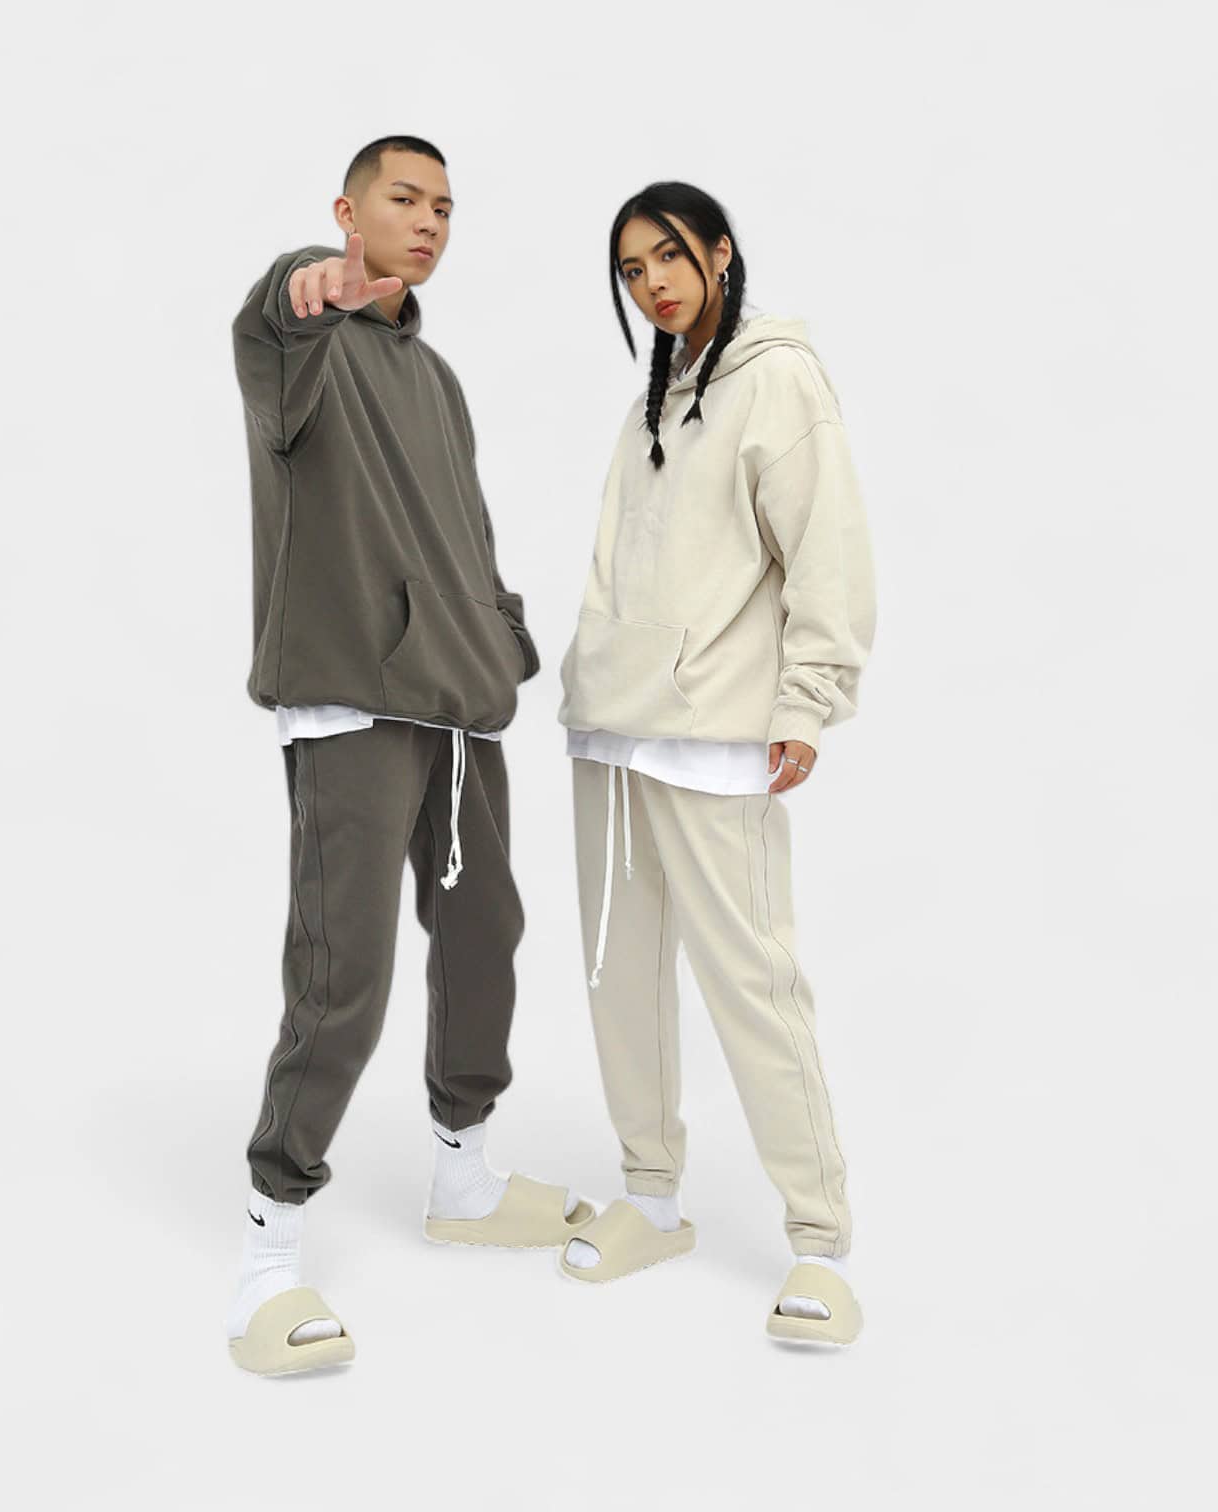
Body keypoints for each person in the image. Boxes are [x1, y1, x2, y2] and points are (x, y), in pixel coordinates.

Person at [225, 135, 591, 1377]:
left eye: (444, 205)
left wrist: (503, 640)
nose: (428, 220)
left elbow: (467, 537)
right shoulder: (303, 346)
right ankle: (268, 1251)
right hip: (353, 706)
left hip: (457, 709)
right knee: (347, 977)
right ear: (348, 209)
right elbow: (275, 312)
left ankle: (463, 1179)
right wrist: (307, 286)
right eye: (403, 198)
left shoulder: (436, 379)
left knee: (486, 935)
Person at [555, 182, 877, 1345]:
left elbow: (828, 554)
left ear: (721, 252)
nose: (652, 283)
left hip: (716, 734)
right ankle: (651, 1197)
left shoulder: (776, 380)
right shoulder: (656, 396)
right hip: (613, 730)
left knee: (753, 986)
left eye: (669, 257)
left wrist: (808, 702)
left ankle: (819, 1243)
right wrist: (583, 680)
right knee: (620, 979)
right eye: (632, 270)